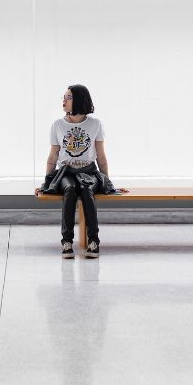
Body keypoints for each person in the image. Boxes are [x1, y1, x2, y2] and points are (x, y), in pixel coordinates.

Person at [35, 84, 129, 259]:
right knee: (69, 190)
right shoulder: (57, 125)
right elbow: (53, 156)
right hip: (65, 173)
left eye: (68, 97)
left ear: (79, 100)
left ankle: (94, 241)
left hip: (89, 172)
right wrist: (46, 183)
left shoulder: (95, 125)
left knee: (87, 189)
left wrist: (107, 182)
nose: (63, 101)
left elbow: (101, 157)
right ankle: (66, 242)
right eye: (64, 97)